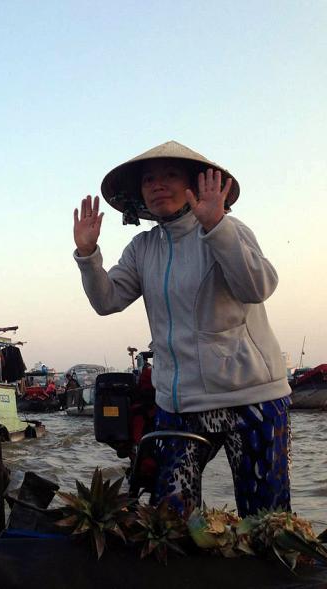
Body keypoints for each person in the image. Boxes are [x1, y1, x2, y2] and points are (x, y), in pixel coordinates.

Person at [72, 140, 290, 517]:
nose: (158, 185)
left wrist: (216, 225)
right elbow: (106, 301)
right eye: (149, 180)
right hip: (178, 403)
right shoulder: (142, 248)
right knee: (170, 520)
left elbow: (258, 287)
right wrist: (89, 255)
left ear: (196, 185)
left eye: (170, 176)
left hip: (251, 396)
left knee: (266, 520)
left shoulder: (229, 230)